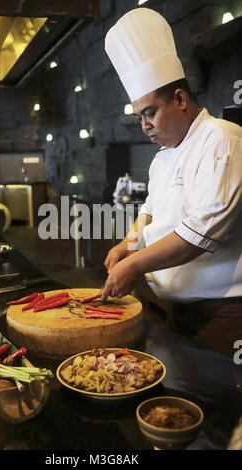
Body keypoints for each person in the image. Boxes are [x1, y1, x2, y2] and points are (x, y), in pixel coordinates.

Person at [102, 8, 242, 356]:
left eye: (150, 112)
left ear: (180, 99)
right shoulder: (163, 156)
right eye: (139, 118)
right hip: (176, 309)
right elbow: (150, 211)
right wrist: (128, 244)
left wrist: (134, 264)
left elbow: (201, 232)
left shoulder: (223, 139)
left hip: (222, 312)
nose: (145, 126)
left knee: (224, 404)